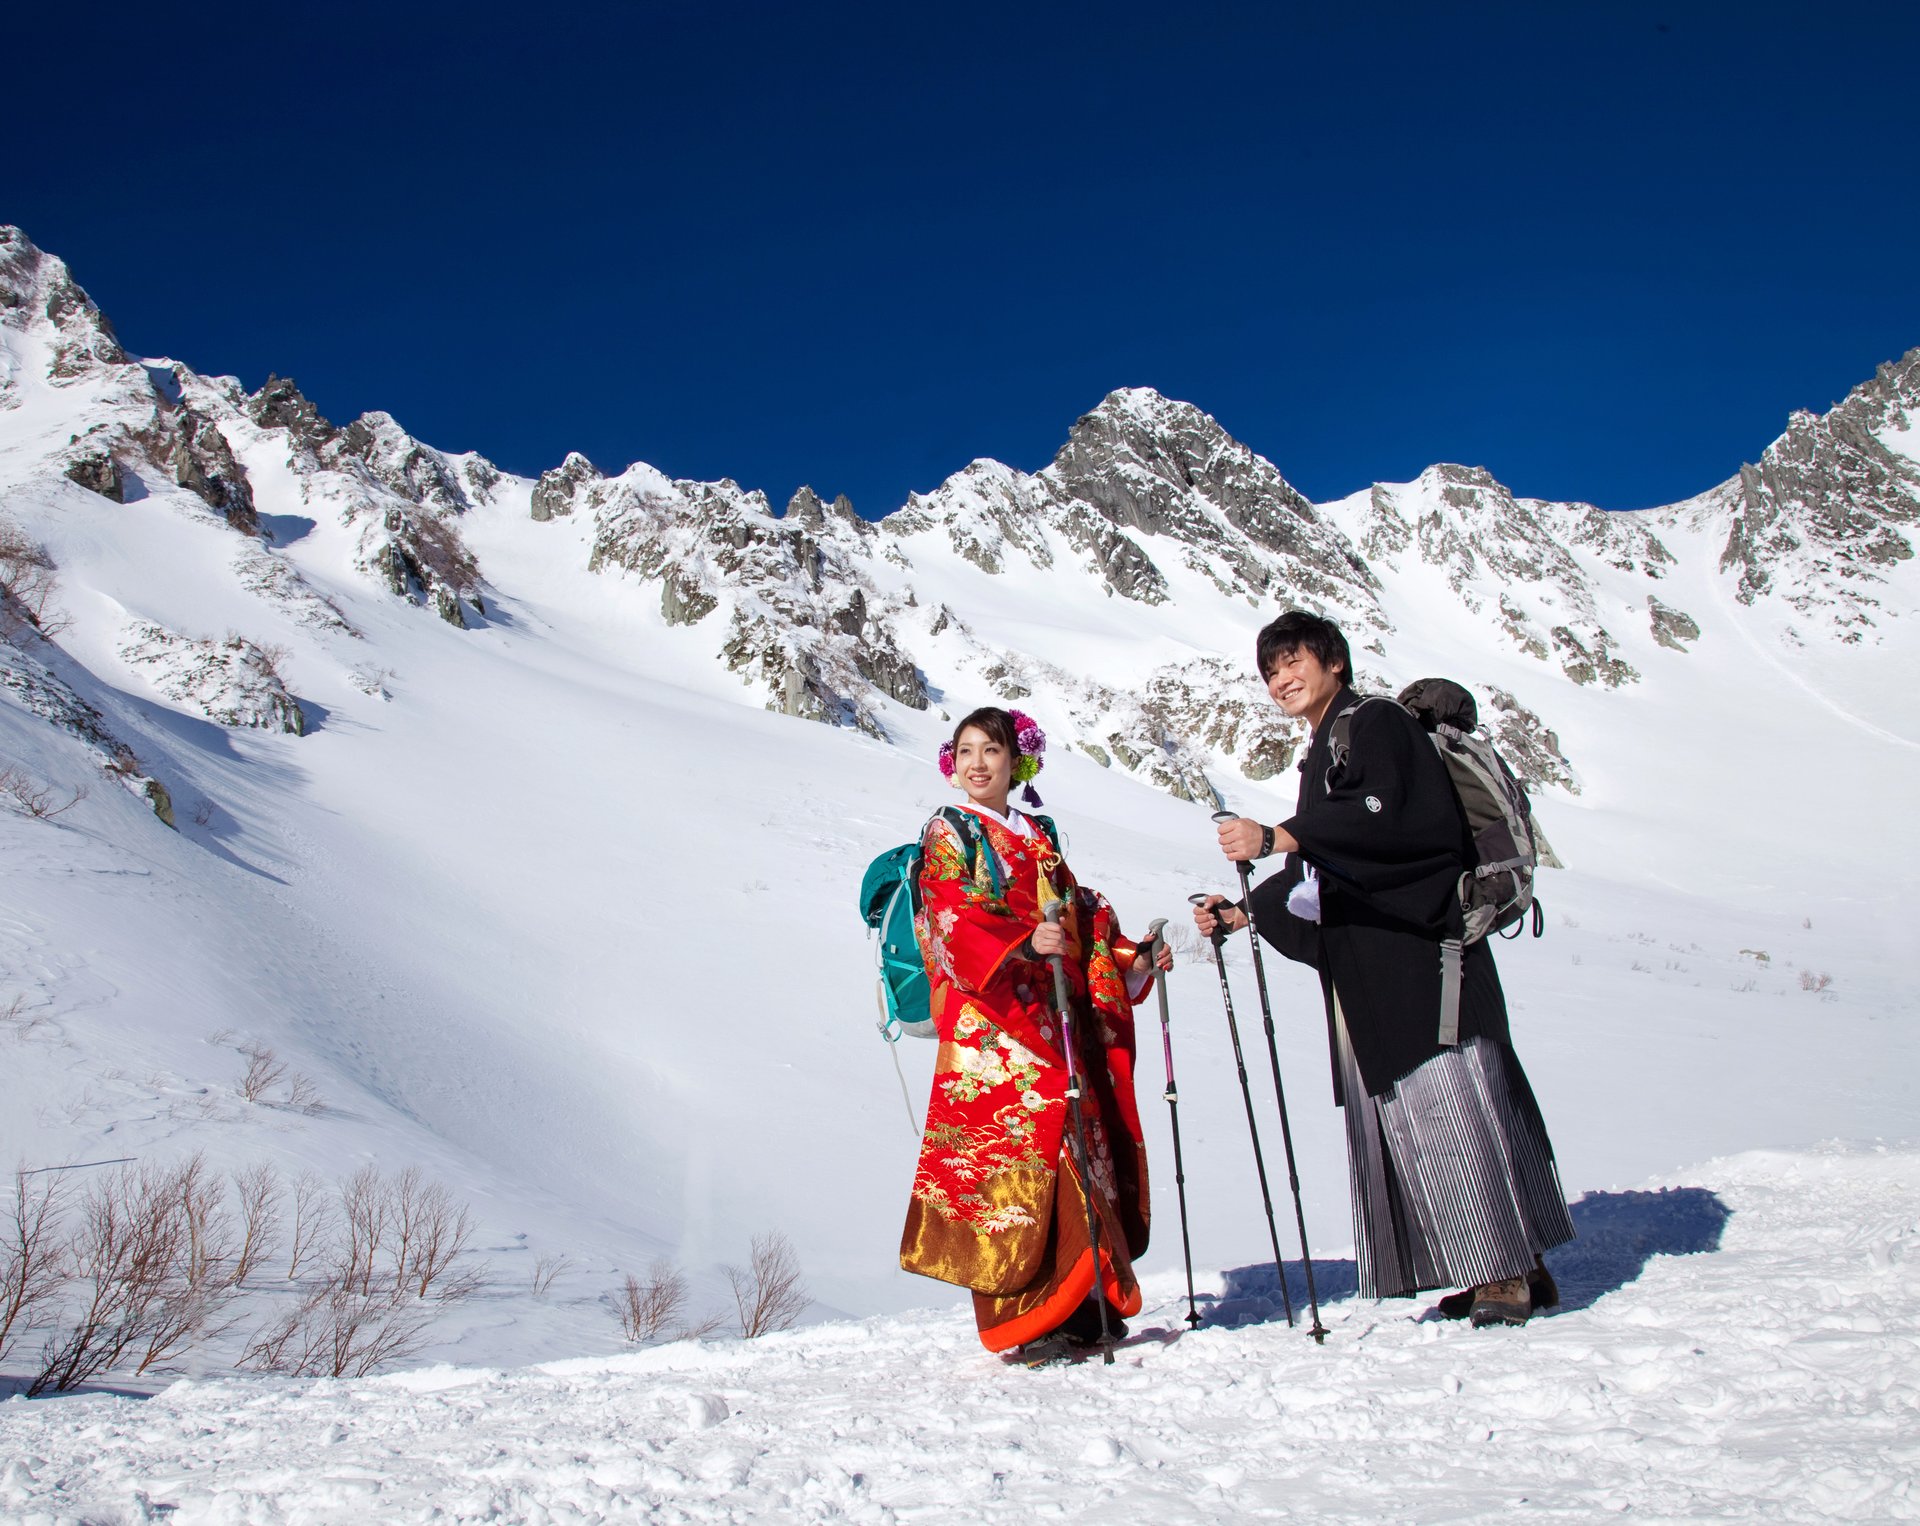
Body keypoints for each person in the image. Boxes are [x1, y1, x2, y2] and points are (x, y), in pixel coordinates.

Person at [1192, 611, 1574, 1327]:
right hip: (1386, 966)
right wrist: (1246, 912)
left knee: (1449, 1106)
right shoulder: (1328, 747)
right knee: (1433, 1113)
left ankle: (1503, 1277)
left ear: (1334, 661)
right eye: (1270, 671)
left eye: (1294, 661)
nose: (1282, 679)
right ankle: (1512, 1268)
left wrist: (1278, 835)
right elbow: (1318, 867)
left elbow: (1391, 823)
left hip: (1425, 961)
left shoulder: (1375, 723)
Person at [900, 705, 1172, 1358]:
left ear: (1016, 762)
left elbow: (1081, 911)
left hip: (1052, 1014)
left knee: (1073, 1148)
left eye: (991, 750)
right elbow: (951, 913)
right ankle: (1028, 1314)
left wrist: (1129, 956)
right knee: (1016, 1167)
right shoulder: (949, 830)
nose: (977, 764)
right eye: (966, 751)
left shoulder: (1038, 833)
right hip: (993, 1024)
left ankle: (1084, 1303)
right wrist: (1023, 941)